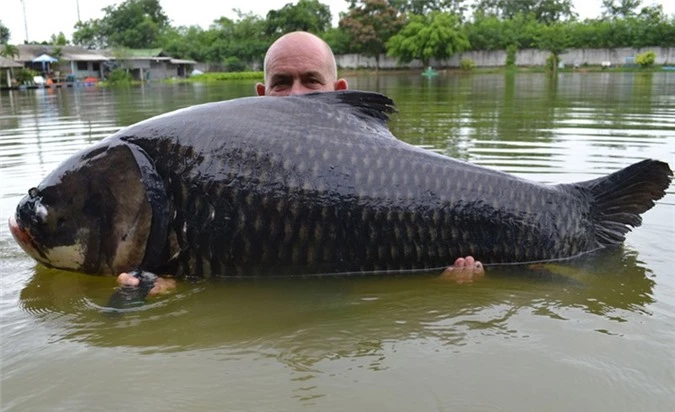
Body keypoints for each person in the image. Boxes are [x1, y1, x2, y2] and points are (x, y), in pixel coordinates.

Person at [118, 31, 483, 295]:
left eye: (311, 80)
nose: (296, 94)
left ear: (339, 91)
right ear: (260, 95)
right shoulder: (229, 165)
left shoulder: (397, 172)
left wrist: (443, 285)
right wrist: (156, 291)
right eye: (281, 82)